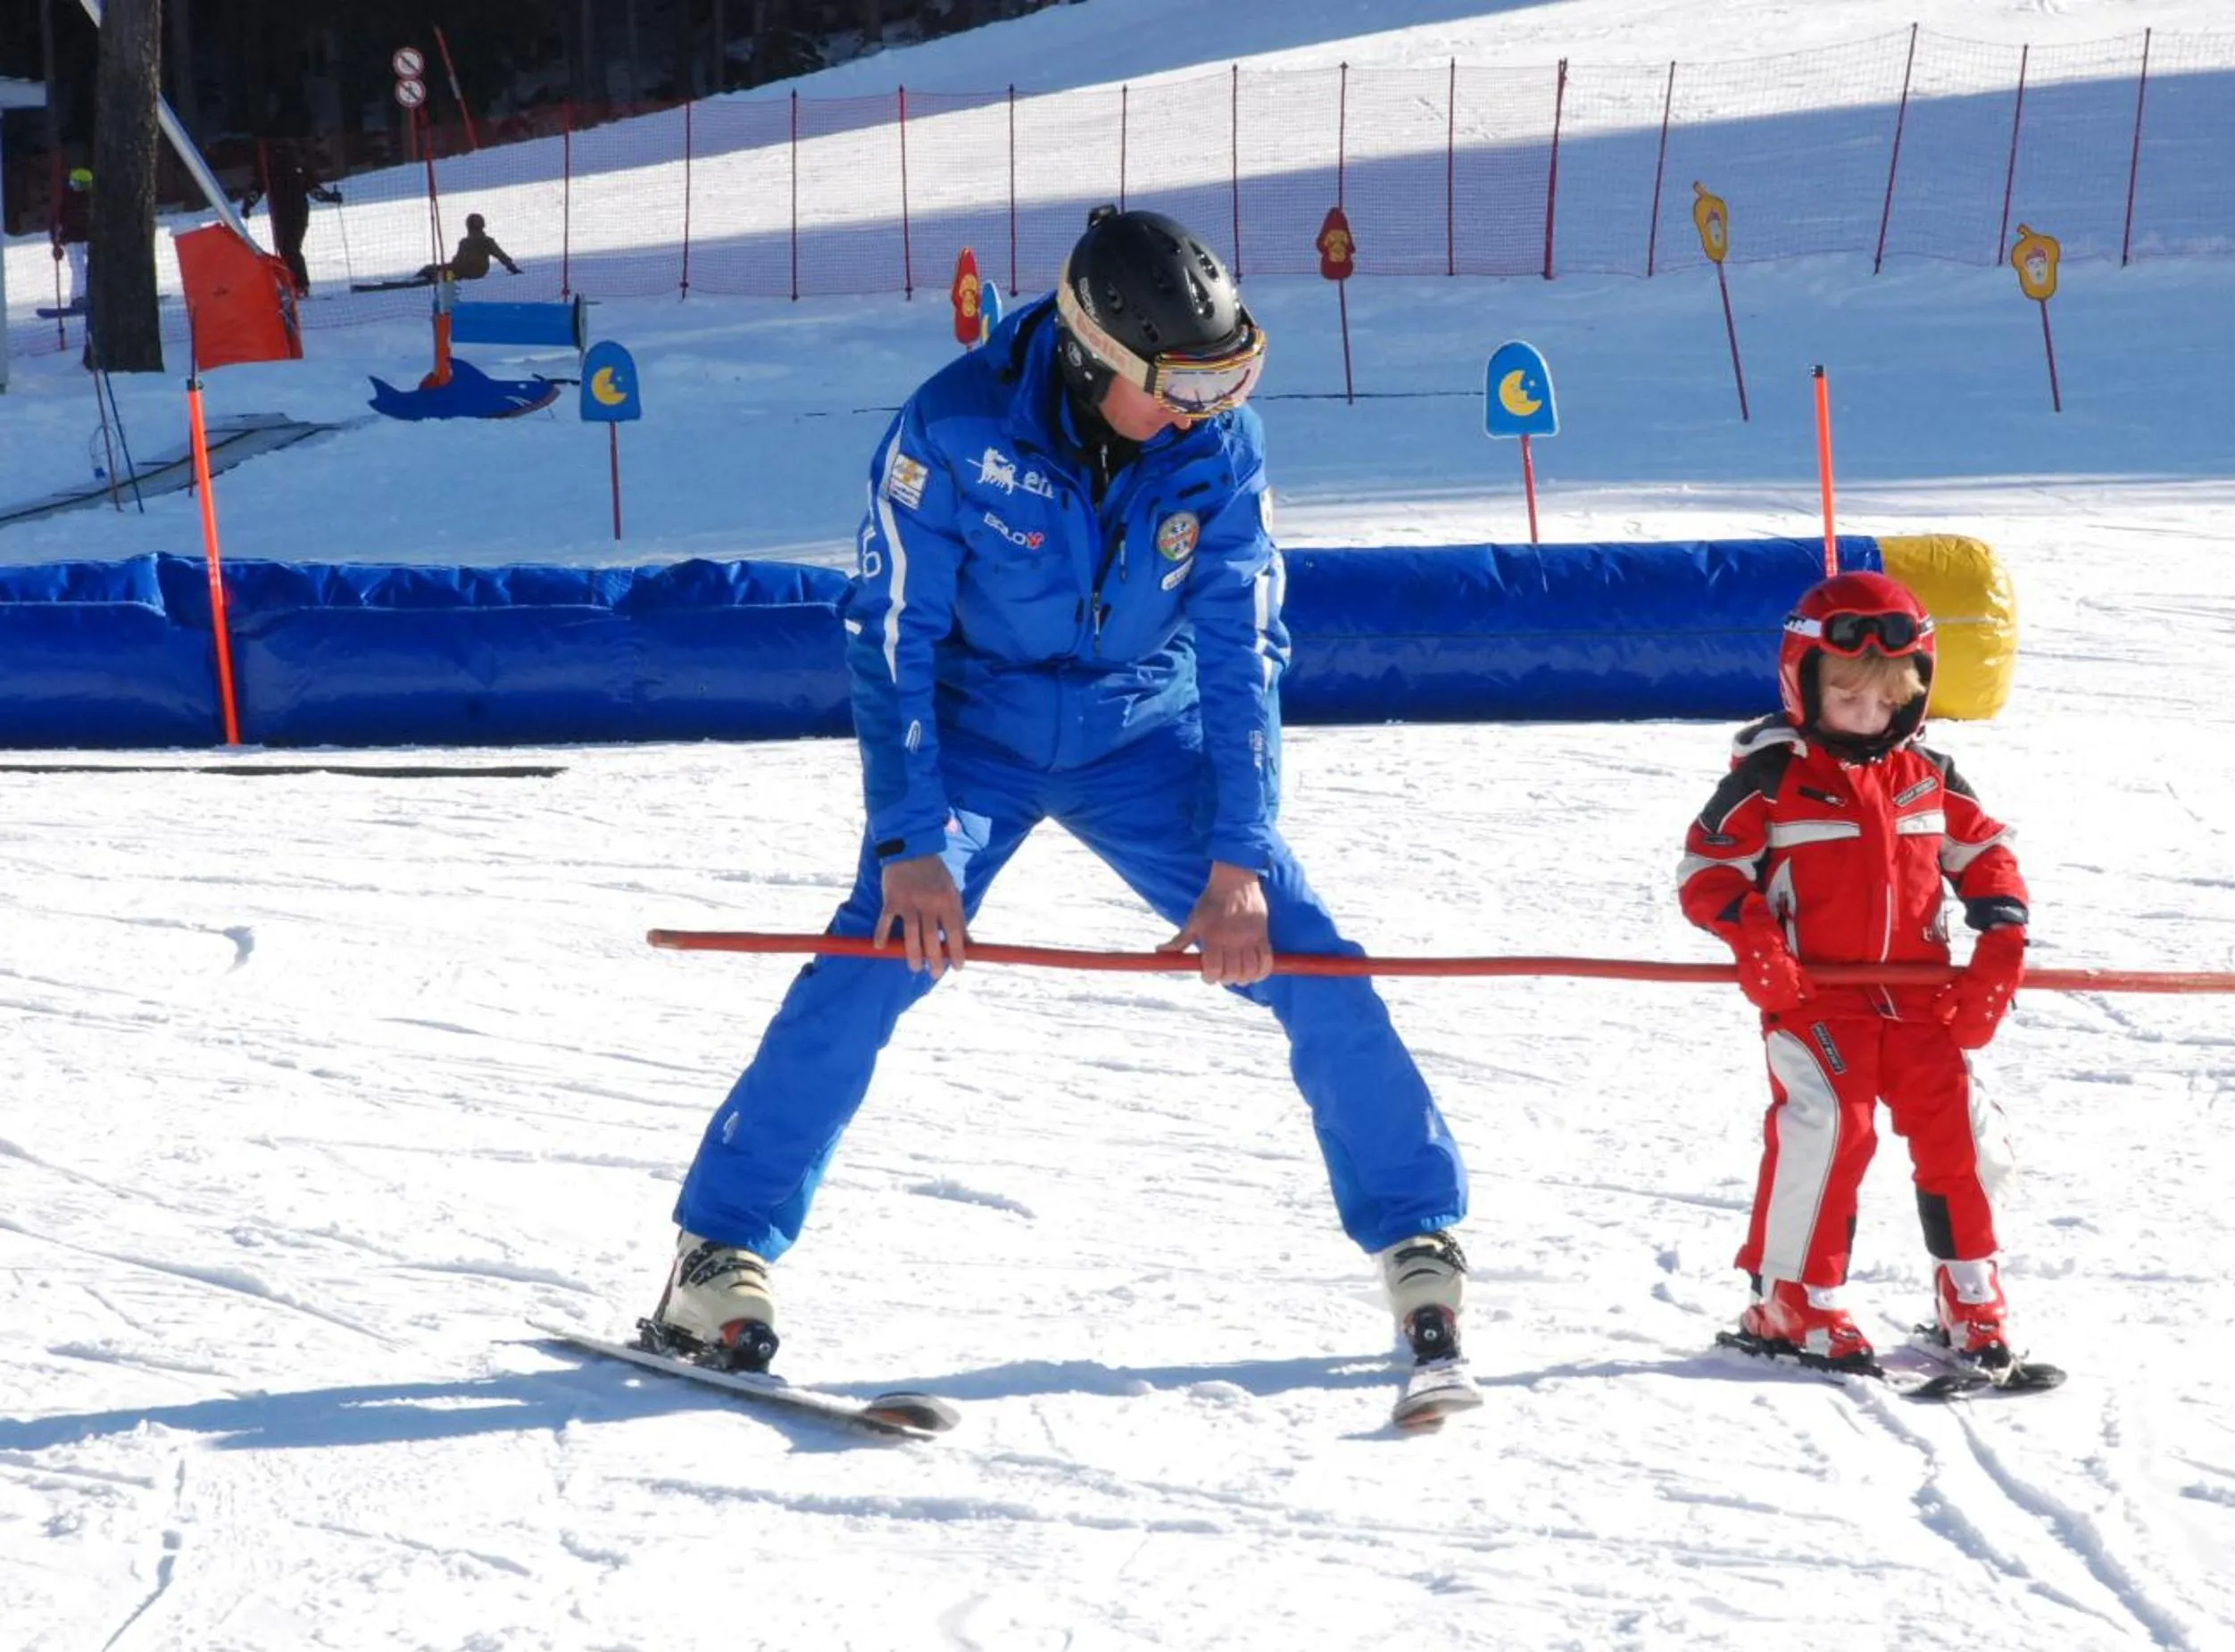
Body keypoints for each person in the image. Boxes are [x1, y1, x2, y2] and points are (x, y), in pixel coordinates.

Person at [644, 205, 1476, 1399]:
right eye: (1181, 383)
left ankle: (1415, 1231)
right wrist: (910, 842)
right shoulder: (951, 430)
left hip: (1145, 730)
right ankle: (718, 1252)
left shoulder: (1217, 448)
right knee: (876, 955)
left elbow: (1248, 650)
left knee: (1310, 952)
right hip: (978, 730)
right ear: (1100, 356)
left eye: (1225, 374)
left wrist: (1237, 856)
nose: (1204, 405)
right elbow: (892, 642)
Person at [1675, 570, 2034, 1374]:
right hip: (1815, 999)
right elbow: (1708, 872)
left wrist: (2000, 942)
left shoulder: (1930, 777)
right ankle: (1792, 1297)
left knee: (1967, 1141)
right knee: (1833, 1128)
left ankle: (1970, 1291)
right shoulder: (1768, 779)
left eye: (1887, 701)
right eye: (1848, 697)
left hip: (1917, 1001)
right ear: (1804, 683)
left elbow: (1985, 857)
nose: (1869, 716)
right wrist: (1755, 940)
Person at [241, 144, 344, 295]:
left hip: (296, 213)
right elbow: (257, 189)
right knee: (286, 248)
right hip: (282, 214)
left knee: (290, 248)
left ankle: (300, 284)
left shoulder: (295, 170)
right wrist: (247, 206)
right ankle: (293, 283)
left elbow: (314, 190)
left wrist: (330, 197)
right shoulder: (270, 171)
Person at [415, 212, 520, 284]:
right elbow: (502, 257)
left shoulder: (485, 242)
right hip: (461, 271)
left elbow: (501, 256)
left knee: (436, 273)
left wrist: (513, 269)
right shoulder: (465, 242)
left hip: (469, 274)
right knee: (432, 270)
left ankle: (428, 279)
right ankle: (429, 277)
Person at [50, 165, 91, 314]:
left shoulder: (93, 198)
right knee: (78, 267)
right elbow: (55, 222)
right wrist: (56, 245)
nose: (82, 188)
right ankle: (80, 297)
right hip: (71, 239)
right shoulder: (65, 199)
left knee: (93, 267)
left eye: (84, 185)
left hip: (90, 238)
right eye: (79, 184)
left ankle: (87, 295)